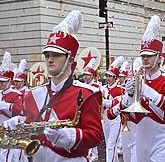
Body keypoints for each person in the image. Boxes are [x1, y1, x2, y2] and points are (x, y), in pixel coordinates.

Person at [3, 10, 102, 161]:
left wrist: (67, 136)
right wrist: (18, 123)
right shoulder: (32, 94)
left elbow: (95, 136)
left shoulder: (88, 93)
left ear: (70, 60)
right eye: (47, 55)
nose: (50, 59)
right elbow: (29, 125)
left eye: (56, 55)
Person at [124, 15, 165, 161]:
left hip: (160, 135)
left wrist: (146, 90)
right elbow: (128, 114)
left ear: (159, 58)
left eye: (149, 56)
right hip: (140, 134)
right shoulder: (138, 80)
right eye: (143, 56)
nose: (145, 59)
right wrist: (129, 94)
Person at [0, 51, 24, 161]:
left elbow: (19, 110)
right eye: (0, 81)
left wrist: (4, 105)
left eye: (3, 81)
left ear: (10, 81)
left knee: (9, 157)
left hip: (9, 131)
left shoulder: (17, 94)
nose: (1, 84)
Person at [102, 56, 125, 162]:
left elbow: (113, 103)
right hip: (105, 118)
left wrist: (103, 102)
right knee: (108, 144)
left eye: (110, 76)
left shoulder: (121, 90)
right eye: (106, 76)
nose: (107, 78)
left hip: (115, 119)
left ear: (115, 78)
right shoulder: (102, 88)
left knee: (111, 145)